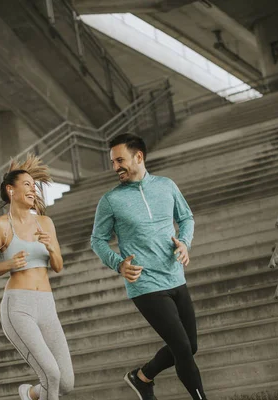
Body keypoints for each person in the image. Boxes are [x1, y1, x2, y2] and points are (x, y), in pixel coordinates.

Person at [91, 134, 207, 400]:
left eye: (120, 160)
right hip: (144, 284)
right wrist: (118, 264)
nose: (115, 166)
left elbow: (186, 217)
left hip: (175, 276)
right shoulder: (111, 200)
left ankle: (142, 377)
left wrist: (184, 243)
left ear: (138, 157)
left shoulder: (166, 186)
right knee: (181, 347)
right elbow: (97, 239)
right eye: (112, 161)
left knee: (191, 346)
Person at [0, 155, 74, 400]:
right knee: (51, 374)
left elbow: (58, 266)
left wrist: (52, 248)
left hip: (46, 305)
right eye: (27, 184)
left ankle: (30, 394)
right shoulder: (0, 226)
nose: (33, 189)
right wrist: (10, 263)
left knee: (65, 381)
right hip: (18, 307)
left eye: (34, 185)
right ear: (10, 190)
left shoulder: (46, 222)